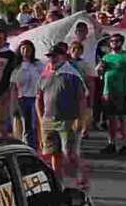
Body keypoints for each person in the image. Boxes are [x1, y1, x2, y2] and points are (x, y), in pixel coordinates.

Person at [37, 45, 88, 186]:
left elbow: (82, 98)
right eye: (50, 56)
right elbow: (39, 98)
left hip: (67, 120)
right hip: (48, 119)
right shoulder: (45, 74)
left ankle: (82, 177)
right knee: (54, 153)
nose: (52, 59)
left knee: (70, 153)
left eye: (55, 56)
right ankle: (58, 182)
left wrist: (81, 120)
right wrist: (41, 118)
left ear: (63, 57)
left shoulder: (72, 74)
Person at [97, 33, 126, 156]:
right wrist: (99, 69)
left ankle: (125, 145)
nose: (114, 43)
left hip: (122, 92)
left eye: (117, 41)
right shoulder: (106, 57)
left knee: (122, 120)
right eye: (112, 41)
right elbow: (99, 74)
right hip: (107, 92)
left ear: (121, 42)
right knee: (111, 120)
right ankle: (112, 143)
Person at [10, 40, 44, 147]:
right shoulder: (17, 67)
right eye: (23, 49)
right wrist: (13, 103)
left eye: (28, 49)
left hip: (37, 97)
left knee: (37, 123)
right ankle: (29, 145)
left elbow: (44, 78)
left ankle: (40, 144)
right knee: (27, 124)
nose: (25, 51)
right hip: (23, 98)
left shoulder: (38, 64)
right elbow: (14, 87)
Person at [69, 41, 96, 138]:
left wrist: (91, 93)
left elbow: (89, 79)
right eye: (74, 49)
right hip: (69, 91)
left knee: (82, 113)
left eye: (78, 50)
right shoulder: (67, 63)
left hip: (81, 90)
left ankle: (83, 130)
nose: (76, 51)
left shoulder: (84, 64)